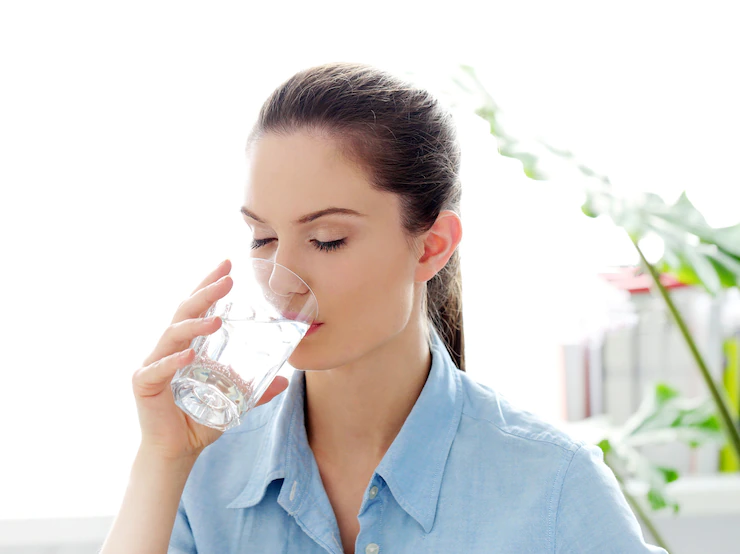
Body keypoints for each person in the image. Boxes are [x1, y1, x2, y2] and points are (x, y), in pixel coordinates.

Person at [100, 62, 668, 554]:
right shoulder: (206, 470)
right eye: (263, 239)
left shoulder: (550, 487)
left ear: (432, 245)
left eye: (326, 239)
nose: (282, 281)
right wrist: (162, 456)